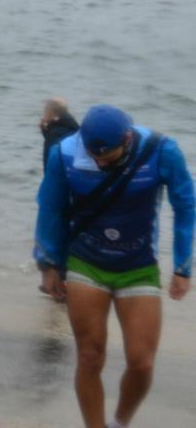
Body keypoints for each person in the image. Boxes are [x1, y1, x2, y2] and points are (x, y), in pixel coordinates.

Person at [35, 105, 193, 428]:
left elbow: (186, 204)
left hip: (139, 264)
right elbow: (50, 209)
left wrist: (182, 265)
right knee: (90, 356)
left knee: (142, 362)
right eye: (94, 156)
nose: (99, 162)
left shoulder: (161, 150)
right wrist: (48, 264)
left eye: (107, 157)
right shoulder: (64, 154)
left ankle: (120, 422)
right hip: (86, 261)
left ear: (127, 138)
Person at [40, 96, 79, 172]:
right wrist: (45, 130)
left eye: (45, 110)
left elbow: (50, 163)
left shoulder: (54, 134)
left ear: (50, 112)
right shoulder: (72, 127)